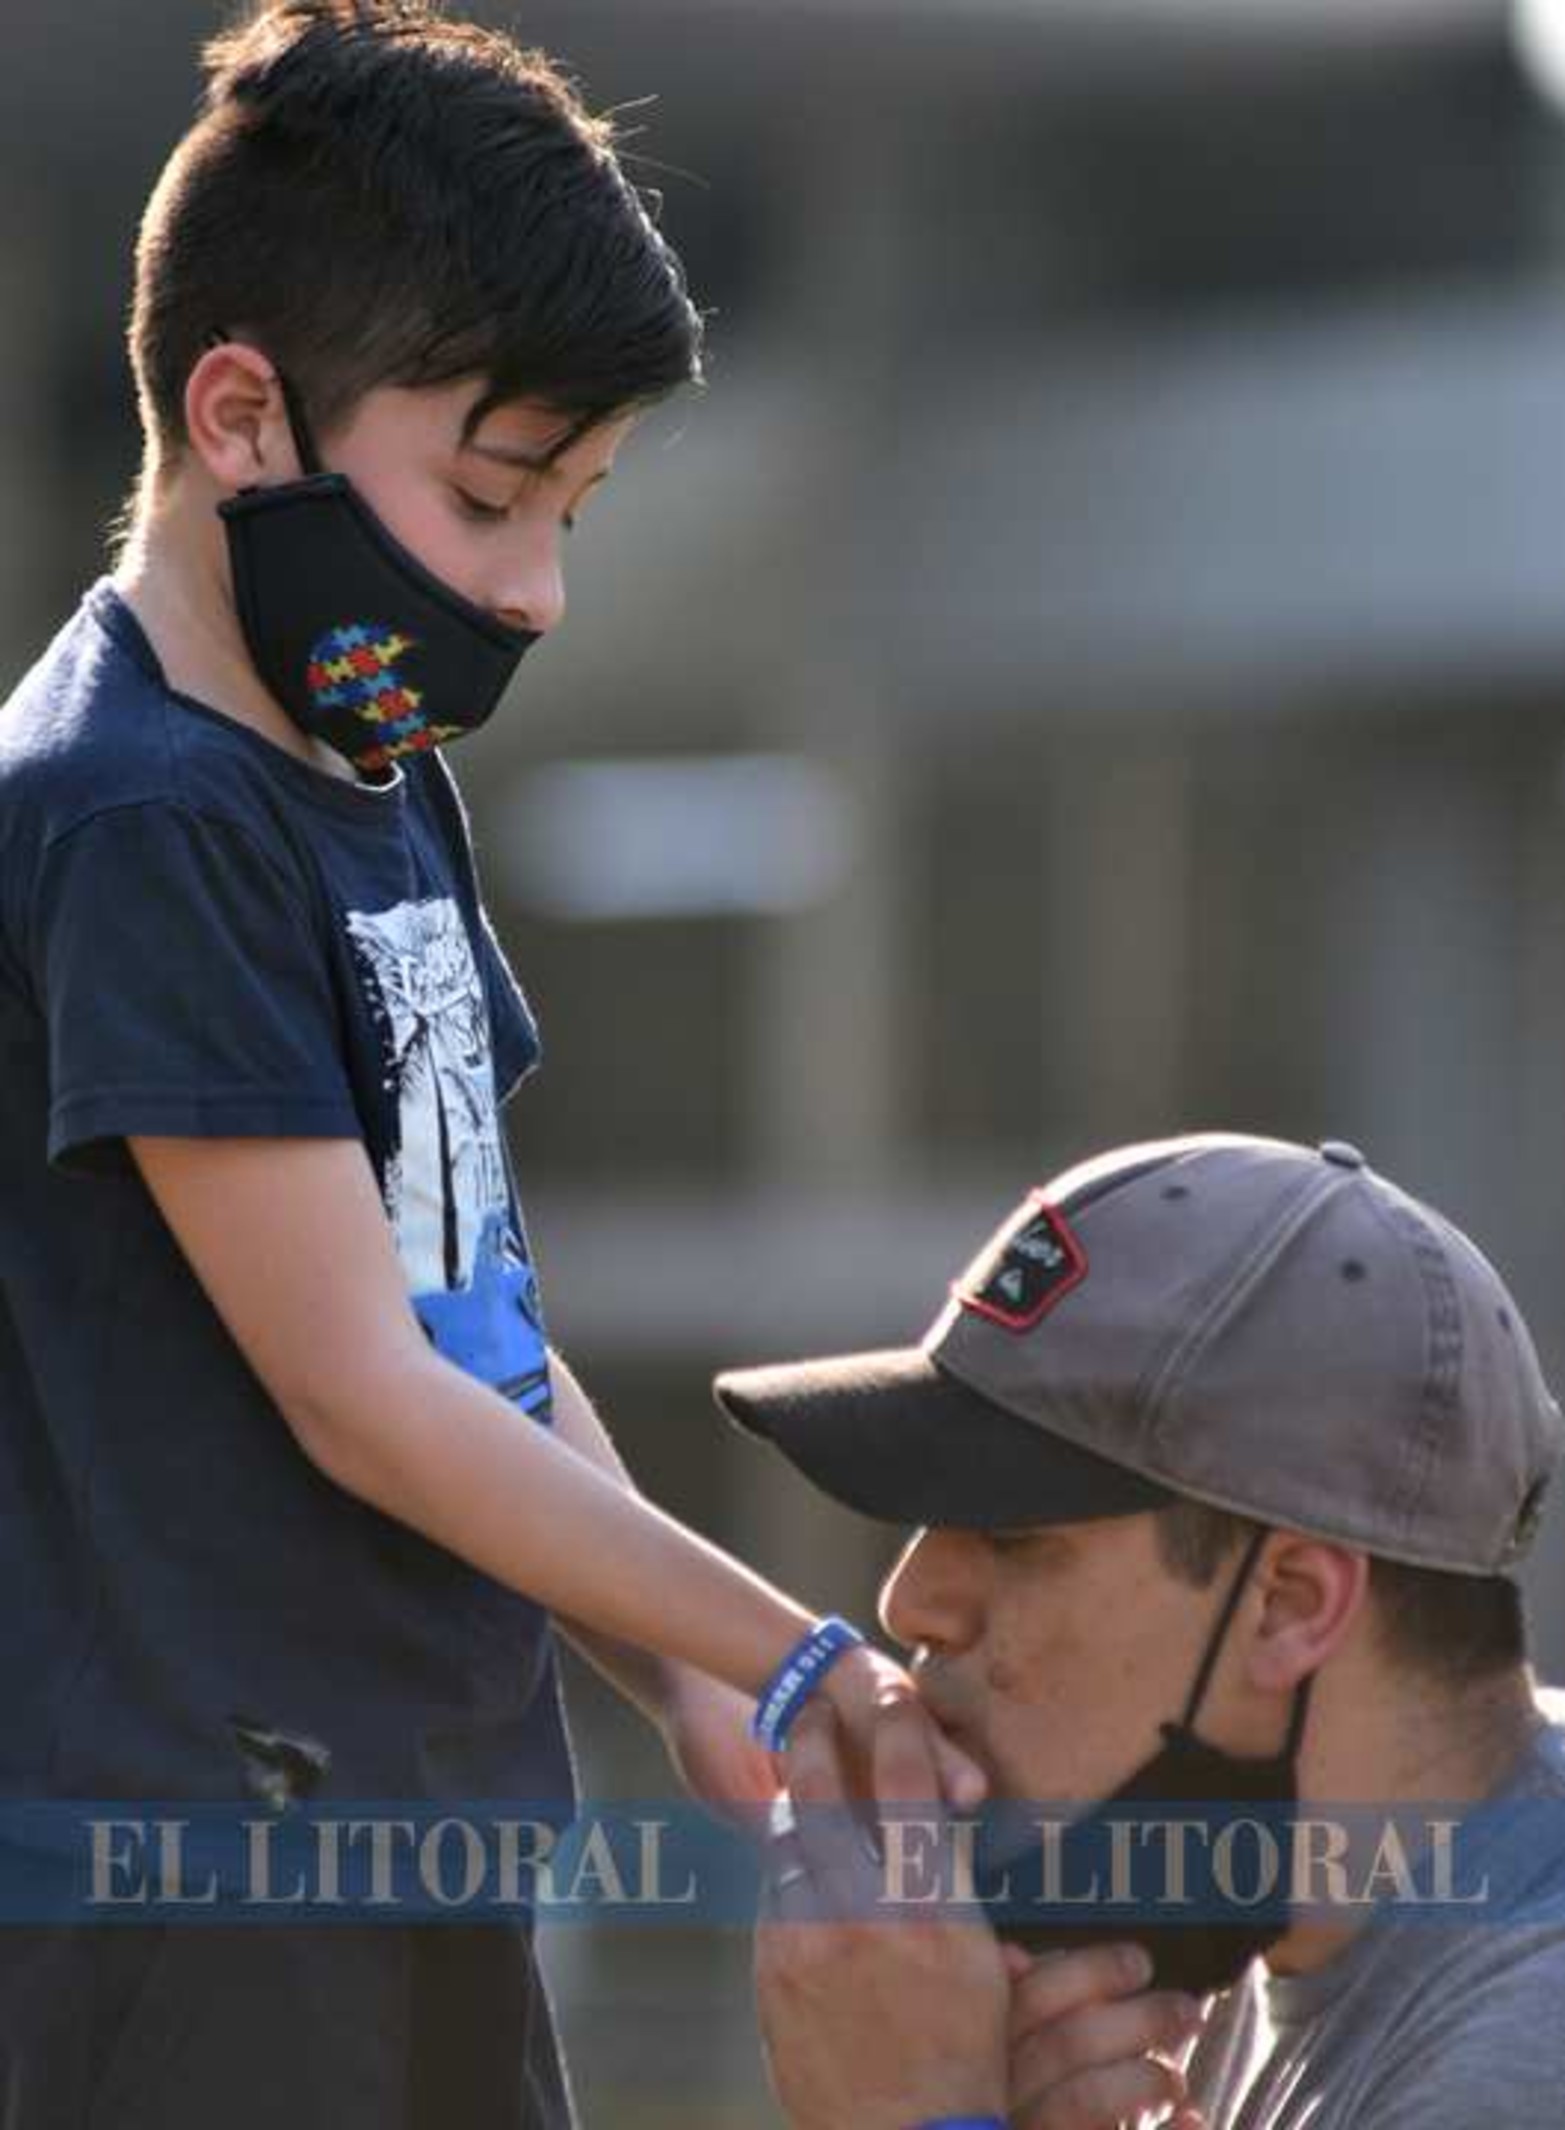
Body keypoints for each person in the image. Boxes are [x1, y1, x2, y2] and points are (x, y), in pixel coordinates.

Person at [0, 5, 978, 2125]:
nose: (529, 592)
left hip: (422, 1867)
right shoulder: (139, 815)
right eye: (487, 496)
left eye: (575, 514)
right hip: (193, 1904)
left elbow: (471, 1327)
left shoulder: (376, 775)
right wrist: (794, 1646)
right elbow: (355, 1392)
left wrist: (686, 1673)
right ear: (243, 416)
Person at [720, 1131, 1565, 2129]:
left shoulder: (1518, 2062)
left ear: (1288, 1604)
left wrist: (916, 2118)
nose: (911, 1602)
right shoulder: (1257, 1926)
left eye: (1013, 1536)